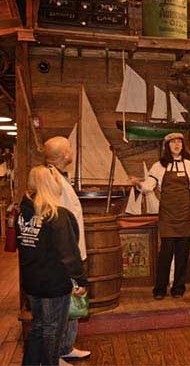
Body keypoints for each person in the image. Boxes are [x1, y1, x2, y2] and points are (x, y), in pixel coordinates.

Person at [17, 166, 89, 366]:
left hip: (32, 282)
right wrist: (79, 280)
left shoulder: (23, 213)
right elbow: (68, 253)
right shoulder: (57, 214)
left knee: (38, 326)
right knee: (53, 330)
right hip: (53, 283)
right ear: (51, 183)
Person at [132, 132, 190, 299]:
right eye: (173, 142)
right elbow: (149, 187)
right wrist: (138, 184)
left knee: (182, 254)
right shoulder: (158, 166)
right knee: (165, 253)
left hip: (185, 215)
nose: (177, 145)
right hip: (167, 216)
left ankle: (178, 288)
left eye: (179, 141)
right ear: (167, 146)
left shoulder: (189, 165)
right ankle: (159, 289)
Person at [43, 136, 91, 362]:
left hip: (74, 248)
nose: (72, 150)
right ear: (64, 155)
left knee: (72, 303)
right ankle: (55, 355)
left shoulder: (61, 176)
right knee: (61, 308)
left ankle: (67, 346)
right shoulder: (51, 178)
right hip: (65, 252)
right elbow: (57, 220)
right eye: (69, 148)